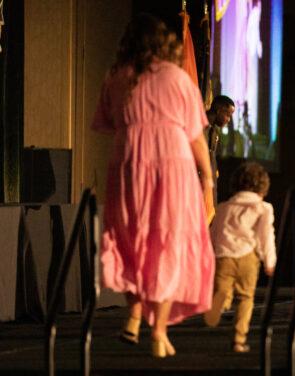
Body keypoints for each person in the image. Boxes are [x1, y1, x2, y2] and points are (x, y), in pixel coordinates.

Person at [91, 14, 215, 358]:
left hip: (128, 161)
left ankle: (133, 314)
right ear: (167, 45)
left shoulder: (117, 77)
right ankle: (158, 331)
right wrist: (207, 177)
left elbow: (107, 124)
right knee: (168, 242)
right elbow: (195, 136)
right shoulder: (177, 78)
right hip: (171, 162)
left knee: (131, 237)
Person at [204, 161, 276, 353]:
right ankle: (238, 340)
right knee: (246, 297)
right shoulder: (263, 208)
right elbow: (266, 236)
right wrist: (270, 261)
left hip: (224, 257)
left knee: (222, 291)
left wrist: (209, 255)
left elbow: (213, 234)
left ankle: (219, 306)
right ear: (263, 186)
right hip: (248, 258)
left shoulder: (223, 207)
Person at [205, 95, 236, 212]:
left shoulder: (213, 132)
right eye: (228, 115)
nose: (229, 120)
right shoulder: (200, 126)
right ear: (219, 110)